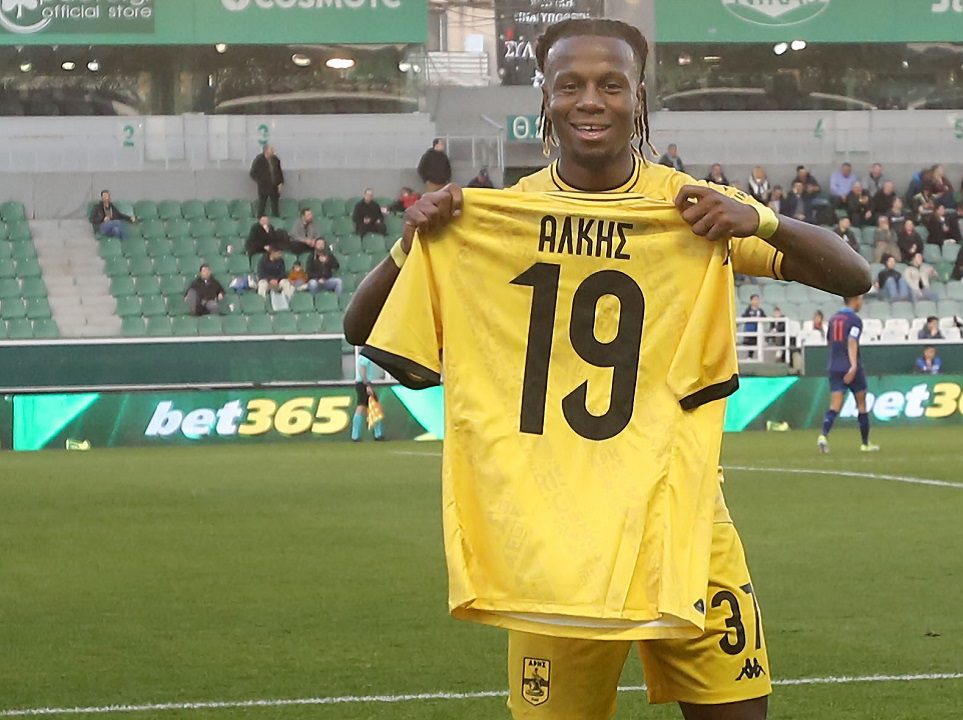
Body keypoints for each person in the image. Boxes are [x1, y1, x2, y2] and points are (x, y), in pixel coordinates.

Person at [346, 21, 874, 719]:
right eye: (570, 85)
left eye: (610, 85)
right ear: (546, 98)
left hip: (682, 524)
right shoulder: (499, 217)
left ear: (638, 97)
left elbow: (853, 275)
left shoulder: (692, 211)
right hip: (557, 538)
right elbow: (360, 329)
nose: (590, 100)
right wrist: (410, 241)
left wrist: (760, 220)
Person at [818, 294, 878, 455]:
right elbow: (852, 340)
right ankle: (865, 443)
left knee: (835, 405)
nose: (861, 303)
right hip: (850, 366)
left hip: (834, 366)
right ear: (855, 300)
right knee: (862, 404)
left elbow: (829, 341)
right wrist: (853, 365)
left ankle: (823, 435)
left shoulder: (833, 319)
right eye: (860, 299)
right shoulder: (855, 320)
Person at [351, 352, 385, 442]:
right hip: (363, 384)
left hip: (362, 384)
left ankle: (357, 435)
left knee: (368, 406)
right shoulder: (365, 356)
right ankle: (377, 434)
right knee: (366, 406)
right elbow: (362, 369)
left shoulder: (363, 356)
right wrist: (367, 385)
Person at [249, 144, 284, 218]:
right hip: (263, 187)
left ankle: (276, 218)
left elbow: (279, 172)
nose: (273, 151)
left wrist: (280, 183)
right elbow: (252, 173)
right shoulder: (259, 160)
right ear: (266, 151)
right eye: (271, 149)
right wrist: (260, 180)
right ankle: (260, 218)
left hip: (274, 186)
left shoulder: (275, 159)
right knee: (262, 204)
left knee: (275, 205)